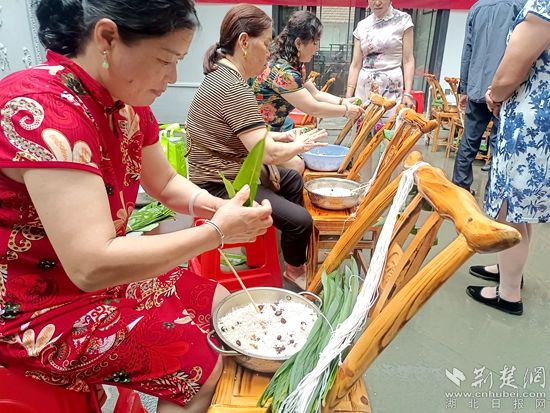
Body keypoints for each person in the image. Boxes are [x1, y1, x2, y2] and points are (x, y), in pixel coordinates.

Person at [0, 1, 273, 412]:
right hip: (34, 309)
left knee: (220, 302)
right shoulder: (43, 109)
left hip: (97, 284)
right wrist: (217, 233)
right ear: (107, 38)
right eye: (165, 60)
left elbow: (164, 183)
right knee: (199, 363)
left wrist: (217, 208)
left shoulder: (127, 105)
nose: (173, 77)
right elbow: (91, 264)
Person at [186, 5, 327, 290]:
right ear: (244, 42)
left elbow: (252, 135)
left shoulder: (225, 77)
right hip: (220, 184)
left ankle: (286, 250)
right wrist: (299, 144)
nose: (269, 52)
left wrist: (284, 137)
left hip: (225, 173)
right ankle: (294, 270)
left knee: (292, 179)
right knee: (301, 220)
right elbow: (267, 153)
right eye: (265, 43)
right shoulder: (232, 88)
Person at [466, 0, 550, 316]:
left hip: (528, 123)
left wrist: (495, 93)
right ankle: (508, 270)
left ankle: (509, 293)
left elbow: (513, 68)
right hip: (536, 119)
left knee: (509, 207)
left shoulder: (543, 7)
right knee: (520, 208)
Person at [452, 0, 525, 193]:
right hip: (505, 89)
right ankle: (493, 193)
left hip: (477, 87)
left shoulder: (477, 7)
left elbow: (467, 50)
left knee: (469, 141)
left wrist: (464, 88)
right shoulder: (520, 6)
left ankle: (460, 188)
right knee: (499, 143)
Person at [251, 11, 363, 135]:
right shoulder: (284, 73)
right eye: (315, 43)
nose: (317, 48)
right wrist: (346, 111)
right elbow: (313, 108)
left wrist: (343, 102)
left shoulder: (294, 65)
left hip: (272, 130)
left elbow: (315, 93)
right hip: (259, 133)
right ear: (298, 43)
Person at [346, 0, 416, 118]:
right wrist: (348, 96)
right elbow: (355, 65)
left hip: (391, 89)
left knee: (388, 126)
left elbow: (408, 60)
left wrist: (408, 93)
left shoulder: (403, 20)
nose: (377, 2)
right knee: (363, 125)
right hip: (365, 88)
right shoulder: (362, 25)